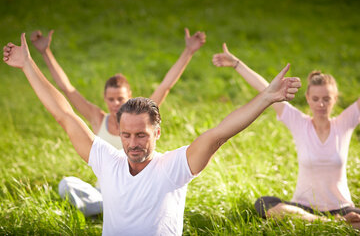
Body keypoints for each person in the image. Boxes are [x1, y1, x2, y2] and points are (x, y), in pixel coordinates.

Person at [3, 34, 300, 235]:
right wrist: (28, 65)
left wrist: (266, 98)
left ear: (157, 132)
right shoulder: (107, 161)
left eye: (142, 135)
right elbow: (65, 116)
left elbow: (219, 134)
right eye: (127, 135)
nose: (133, 144)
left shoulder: (172, 167)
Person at [30, 28, 206, 216]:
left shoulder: (142, 116)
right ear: (105, 99)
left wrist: (189, 51)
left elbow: (165, 85)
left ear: (129, 97)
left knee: (131, 197)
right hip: (104, 193)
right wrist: (45, 52)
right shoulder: (98, 118)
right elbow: (67, 88)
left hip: (136, 189)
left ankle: (108, 208)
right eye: (111, 99)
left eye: (120, 99)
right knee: (67, 184)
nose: (115, 104)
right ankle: (107, 207)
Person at [213, 43, 360, 228]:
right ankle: (331, 223)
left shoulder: (344, 123)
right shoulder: (298, 122)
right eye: (316, 99)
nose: (321, 104)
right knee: (263, 204)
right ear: (307, 98)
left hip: (342, 207)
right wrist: (236, 64)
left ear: (335, 99)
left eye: (326, 99)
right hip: (304, 208)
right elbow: (265, 89)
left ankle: (336, 221)